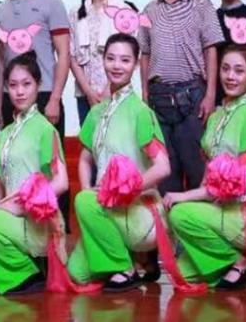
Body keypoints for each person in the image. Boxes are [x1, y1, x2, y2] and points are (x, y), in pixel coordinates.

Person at [163, 45, 246, 289]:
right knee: (179, 274)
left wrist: (183, 196)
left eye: (239, 71)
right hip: (221, 209)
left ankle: (241, 260)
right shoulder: (216, 117)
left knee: (179, 213)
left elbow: (235, 183)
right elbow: (209, 176)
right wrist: (196, 198)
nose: (230, 76)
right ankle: (240, 260)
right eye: (225, 69)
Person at [66, 33, 171, 292]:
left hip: (137, 208)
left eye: (125, 60)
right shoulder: (96, 112)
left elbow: (163, 166)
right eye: (111, 58)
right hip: (105, 207)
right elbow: (85, 159)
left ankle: (126, 266)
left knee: (86, 204)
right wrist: (87, 193)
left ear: (135, 64)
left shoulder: (140, 112)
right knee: (76, 274)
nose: (116, 65)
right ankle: (135, 258)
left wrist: (125, 190)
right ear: (103, 60)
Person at [0, 53, 68, 294]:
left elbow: (61, 181)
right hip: (9, 220)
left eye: (26, 84)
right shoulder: (6, 133)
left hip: (35, 222)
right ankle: (25, 269)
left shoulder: (45, 129)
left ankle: (28, 275)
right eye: (13, 85)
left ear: (38, 85)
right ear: (7, 88)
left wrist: (23, 204)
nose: (19, 92)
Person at [0, 0, 71, 225]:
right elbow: (0, 61)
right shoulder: (2, 9)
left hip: (44, 94)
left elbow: (64, 53)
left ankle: (58, 229)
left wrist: (55, 98)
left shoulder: (51, 1)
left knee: (51, 168)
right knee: (16, 165)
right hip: (12, 97)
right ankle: (17, 225)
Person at [139, 0, 224, 193]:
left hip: (193, 95)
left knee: (197, 168)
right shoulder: (149, 10)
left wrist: (210, 94)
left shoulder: (202, 4)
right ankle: (171, 218)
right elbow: (145, 53)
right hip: (158, 97)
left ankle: (198, 216)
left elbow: (211, 48)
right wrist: (145, 94)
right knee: (166, 173)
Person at [67, 0, 137, 125]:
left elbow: (133, 54)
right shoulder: (76, 12)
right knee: (90, 140)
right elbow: (72, 56)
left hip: (117, 92)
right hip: (85, 95)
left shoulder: (124, 11)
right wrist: (88, 92)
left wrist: (108, 90)